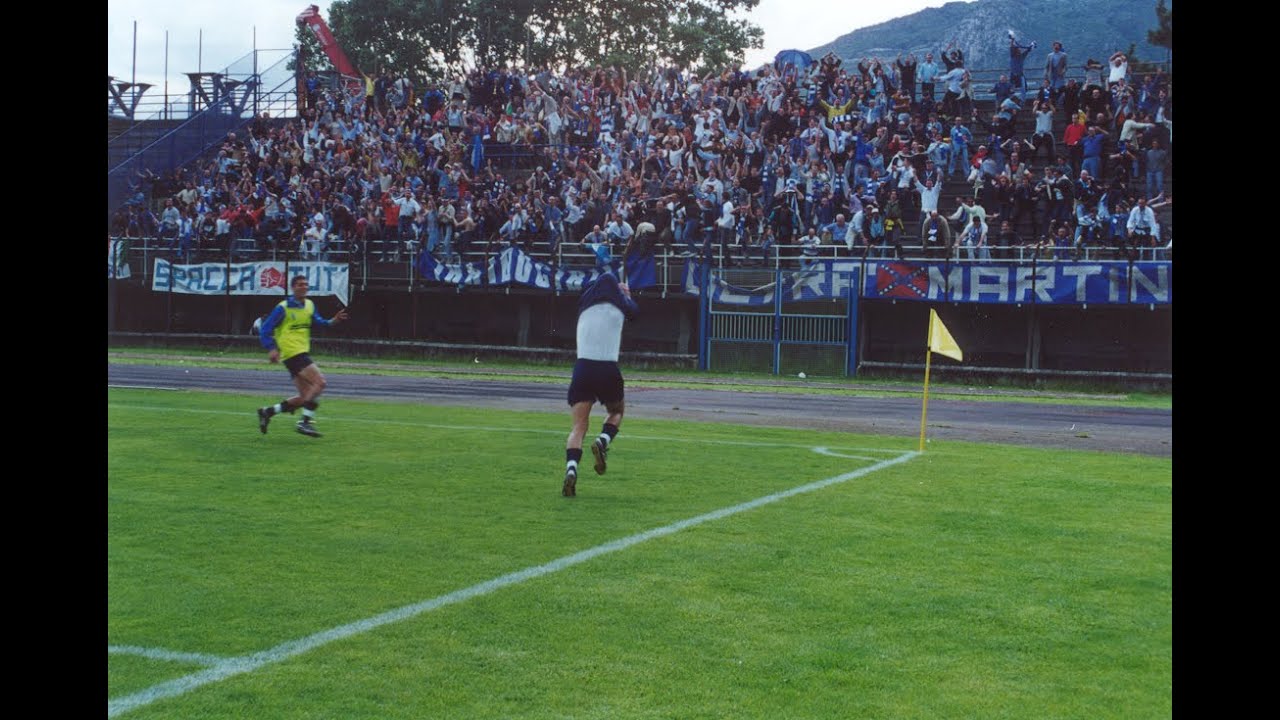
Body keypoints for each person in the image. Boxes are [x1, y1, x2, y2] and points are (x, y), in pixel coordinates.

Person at [563, 273, 639, 497]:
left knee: (578, 427)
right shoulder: (619, 309)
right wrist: (626, 295)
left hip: (583, 368)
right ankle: (603, 440)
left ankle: (571, 469)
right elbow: (635, 312)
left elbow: (589, 294)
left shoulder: (585, 307)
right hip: (607, 368)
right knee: (616, 411)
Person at [256, 275, 350, 438]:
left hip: (300, 352)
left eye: (306, 284)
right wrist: (271, 348)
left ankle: (267, 412)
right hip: (292, 353)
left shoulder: (309, 305)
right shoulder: (283, 307)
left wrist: (333, 321)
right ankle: (304, 422)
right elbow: (265, 329)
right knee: (320, 383)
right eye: (300, 285)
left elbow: (319, 322)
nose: (304, 287)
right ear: (293, 288)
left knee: (305, 396)